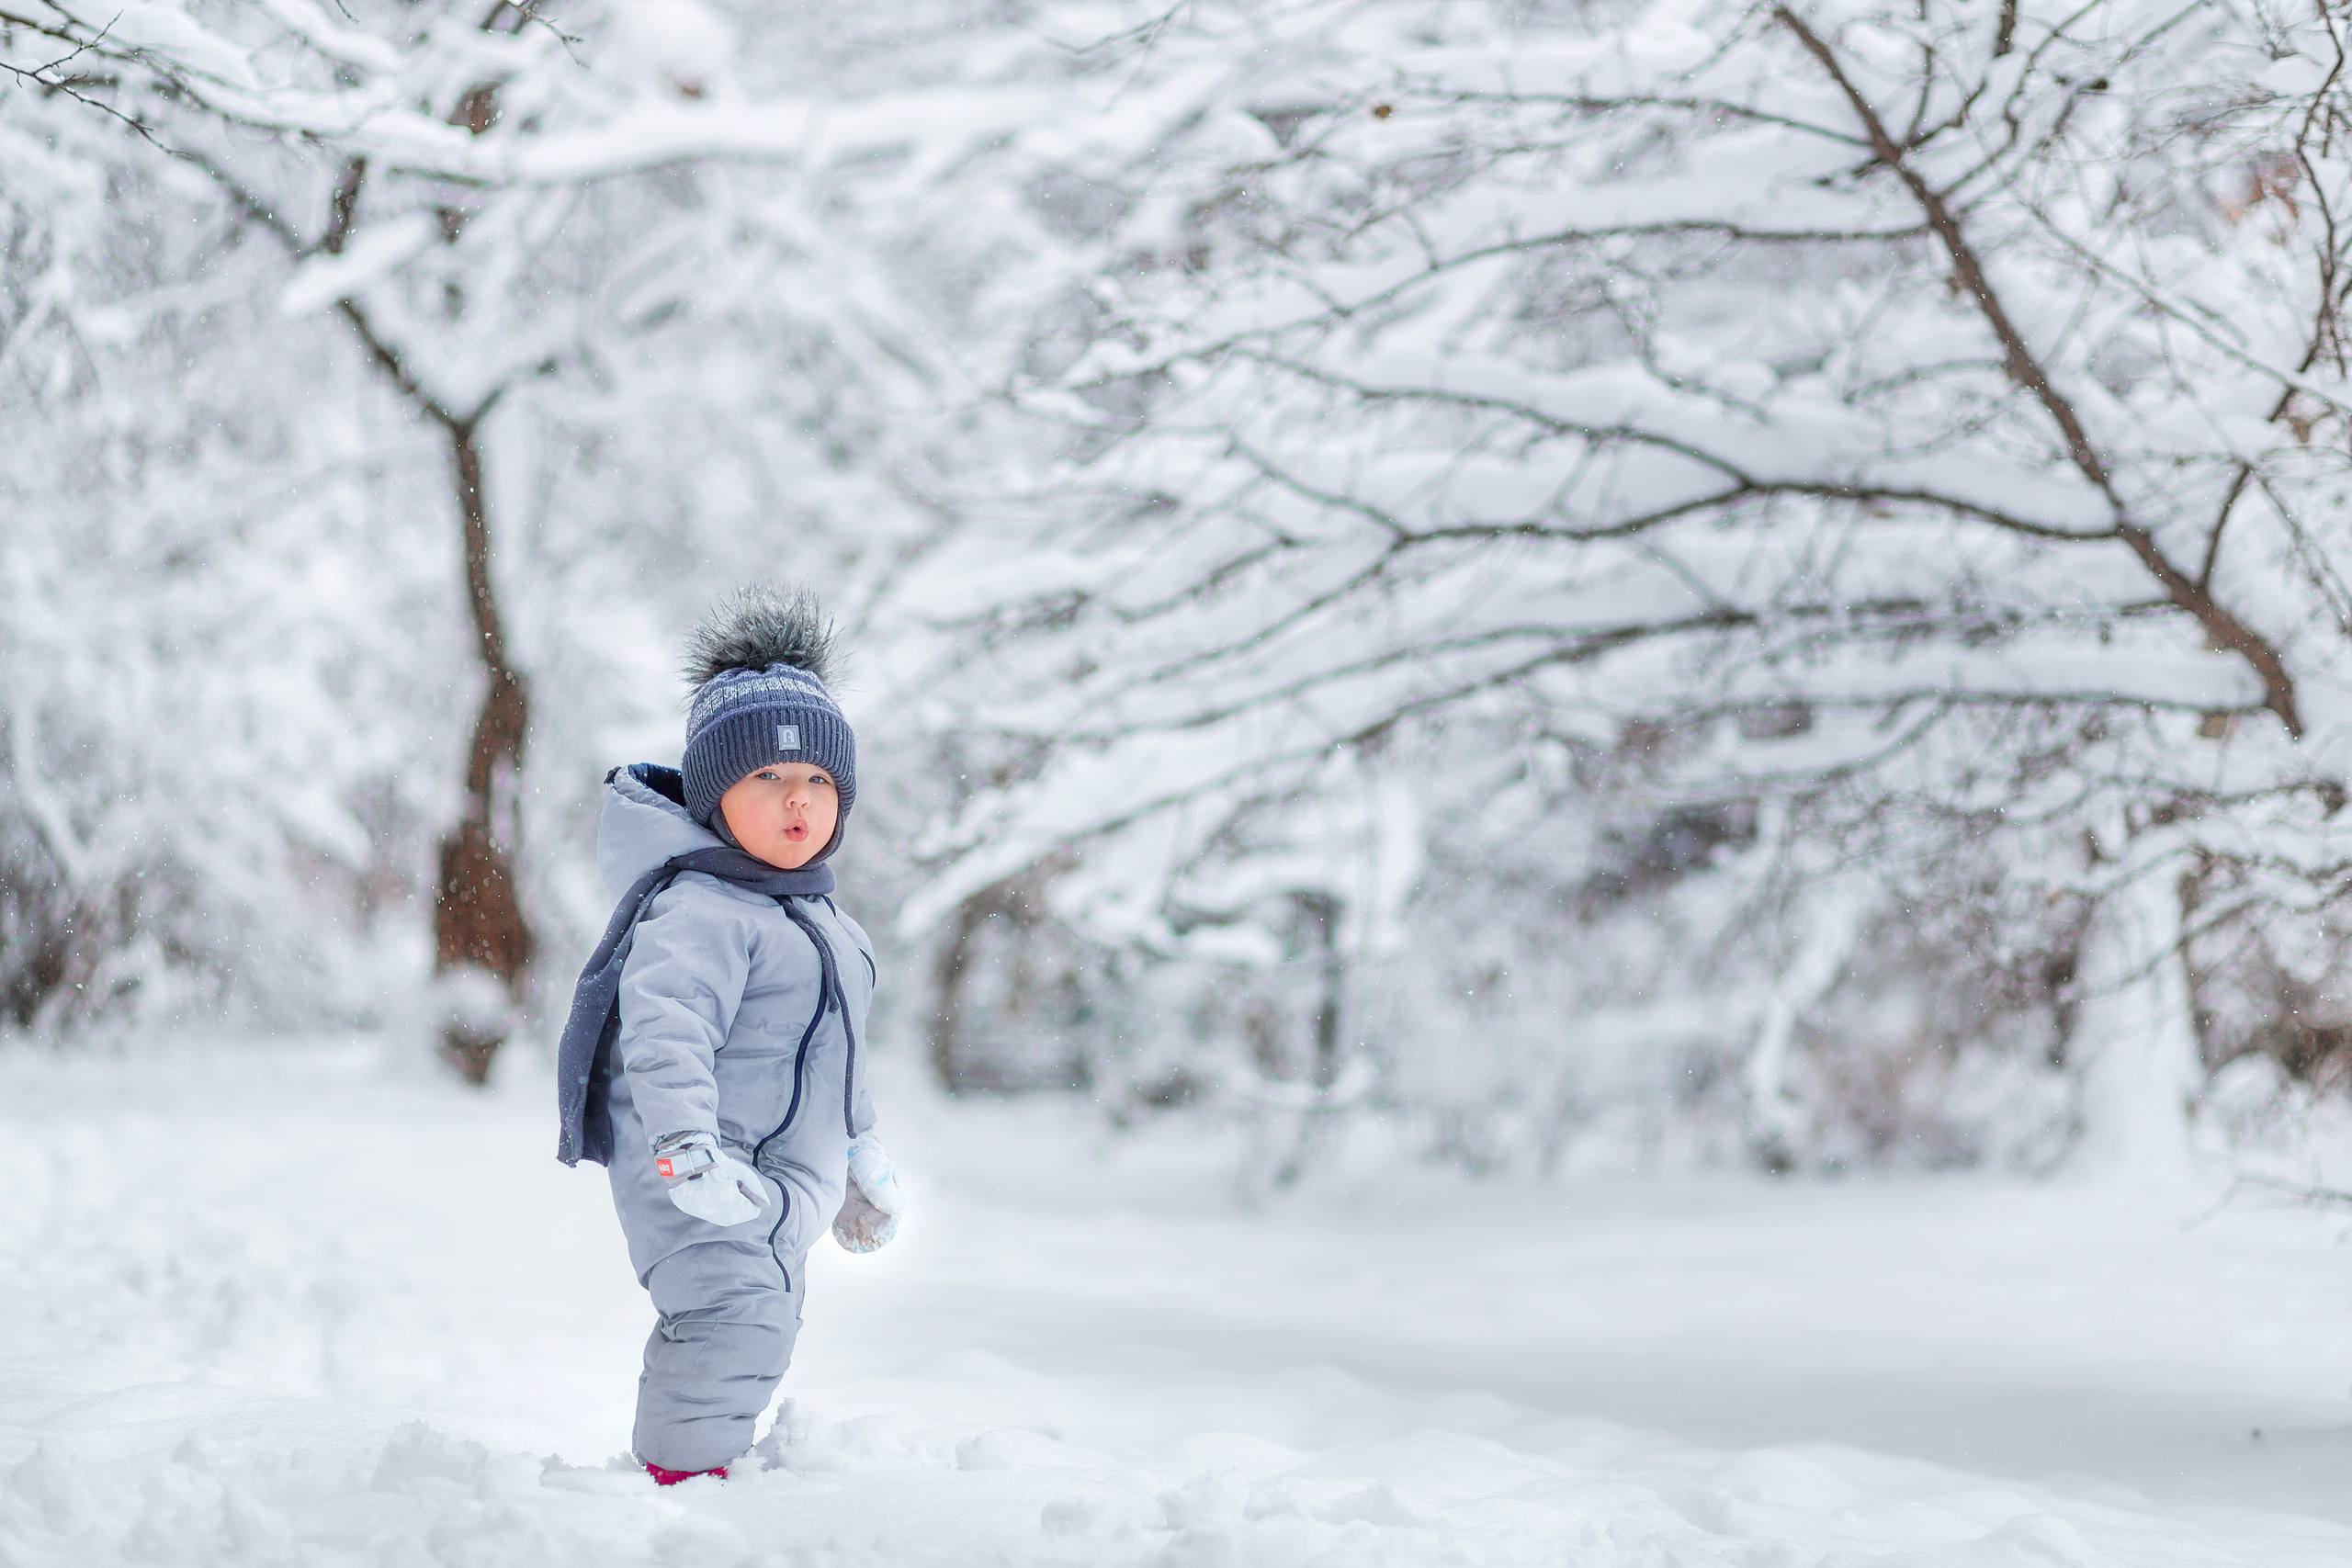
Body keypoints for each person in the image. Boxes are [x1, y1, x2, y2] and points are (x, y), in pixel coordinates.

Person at [554, 584, 904, 1484]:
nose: (798, 800)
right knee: (728, 1325)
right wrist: (685, 1148)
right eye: (767, 778)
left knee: (762, 1328)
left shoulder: (831, 927)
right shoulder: (699, 911)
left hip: (780, 1189)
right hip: (703, 1172)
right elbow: (665, 1036)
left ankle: (695, 1476)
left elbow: (836, 1063)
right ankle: (678, 1488)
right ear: (715, 797)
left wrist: (858, 1154)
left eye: (818, 780)